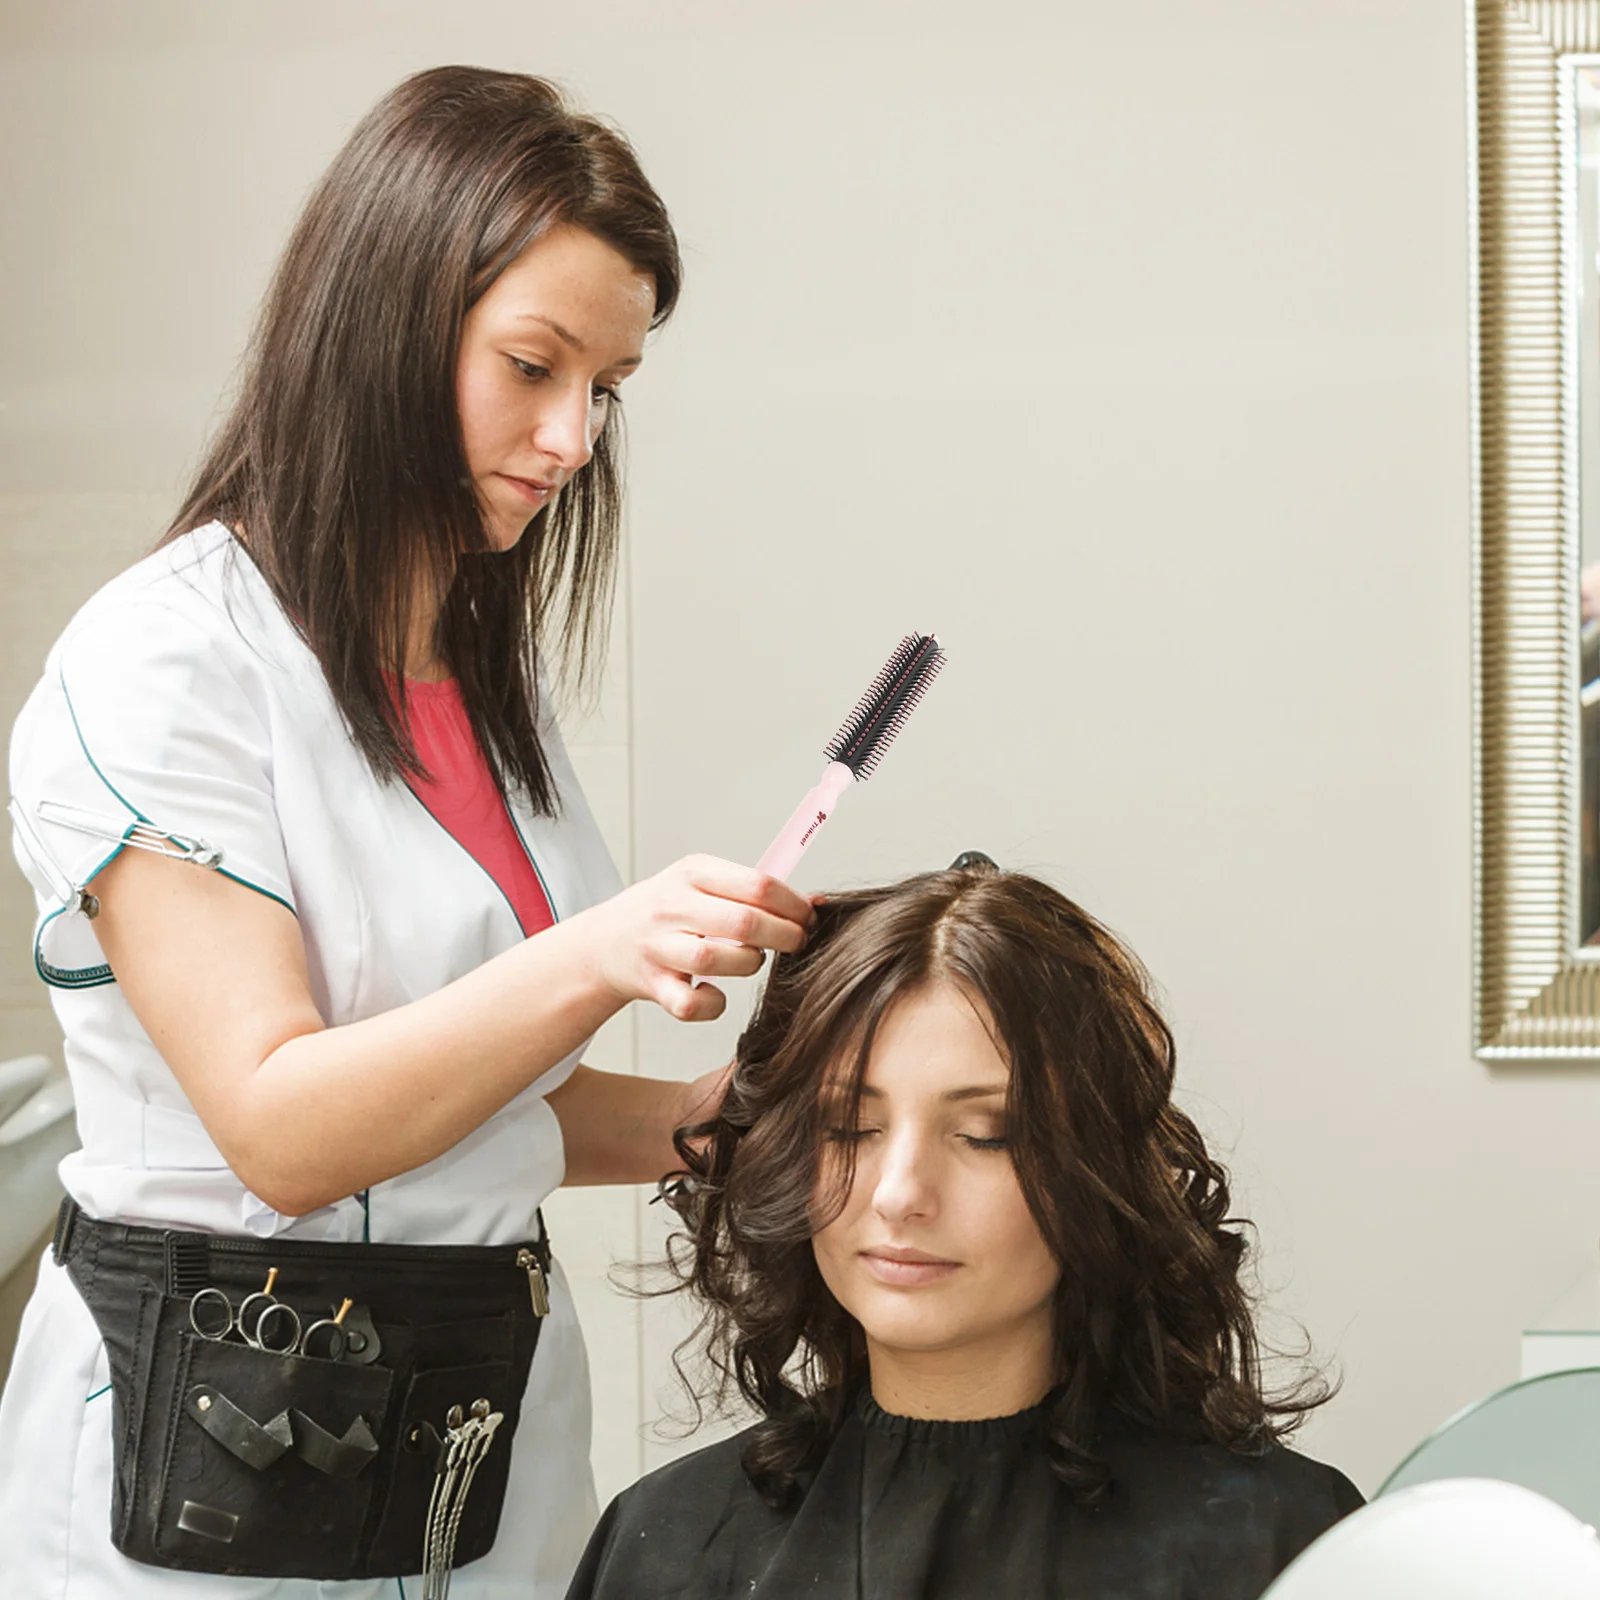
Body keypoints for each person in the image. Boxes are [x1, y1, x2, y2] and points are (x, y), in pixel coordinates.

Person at [0, 66, 812, 1599]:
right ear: (384, 320)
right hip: (215, 1459)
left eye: (608, 388)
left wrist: (716, 1132)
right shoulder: (167, 663)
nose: (573, 436)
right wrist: (600, 952)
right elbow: (290, 1132)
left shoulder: (476, 677)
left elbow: (457, 1117)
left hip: (468, 1425)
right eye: (532, 365)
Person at [568, 858, 1363, 1600]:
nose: (901, 1193)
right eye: (848, 1127)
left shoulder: (1279, 1544)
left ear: (1095, 1168)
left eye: (987, 1134)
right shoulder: (669, 1549)